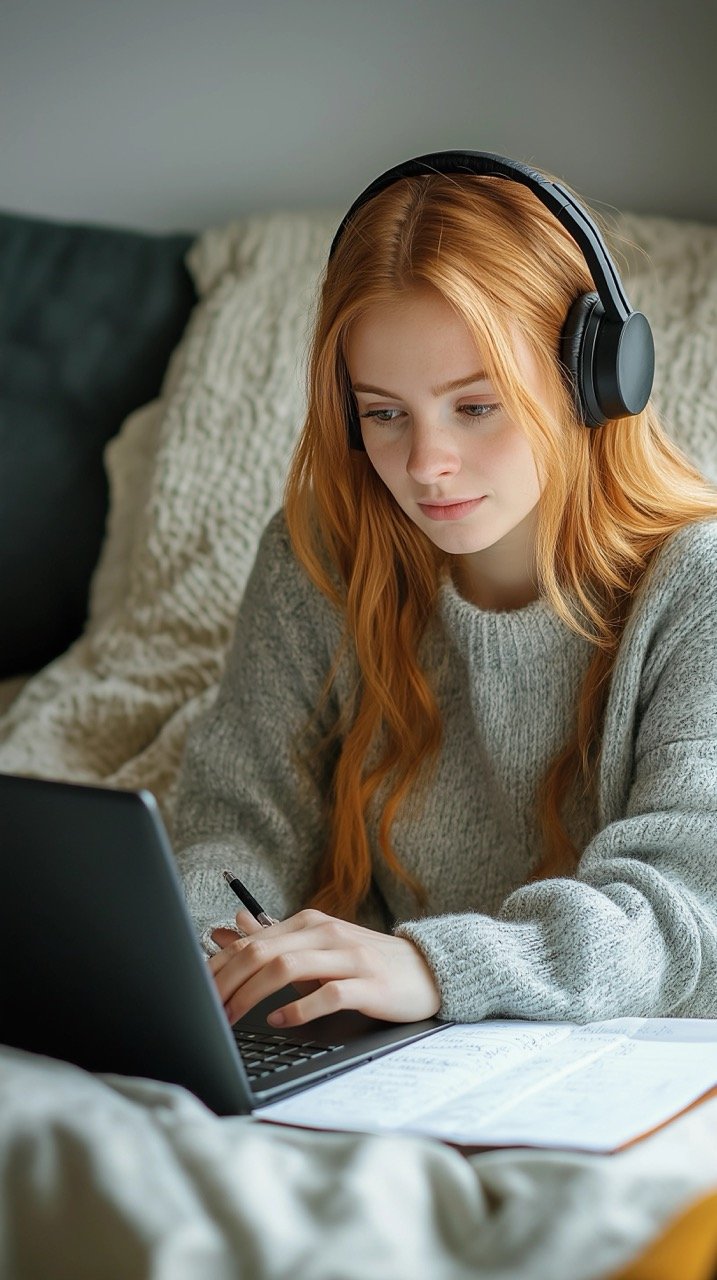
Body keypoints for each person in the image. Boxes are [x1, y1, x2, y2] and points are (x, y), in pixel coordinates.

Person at [173, 152, 717, 1034]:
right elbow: (237, 820)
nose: (425, 466)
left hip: (635, 1058)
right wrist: (206, 962)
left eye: (476, 405)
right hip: (399, 1058)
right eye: (384, 412)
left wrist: (434, 965)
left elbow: (684, 913)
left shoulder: (699, 585)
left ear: (595, 382)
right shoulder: (319, 559)